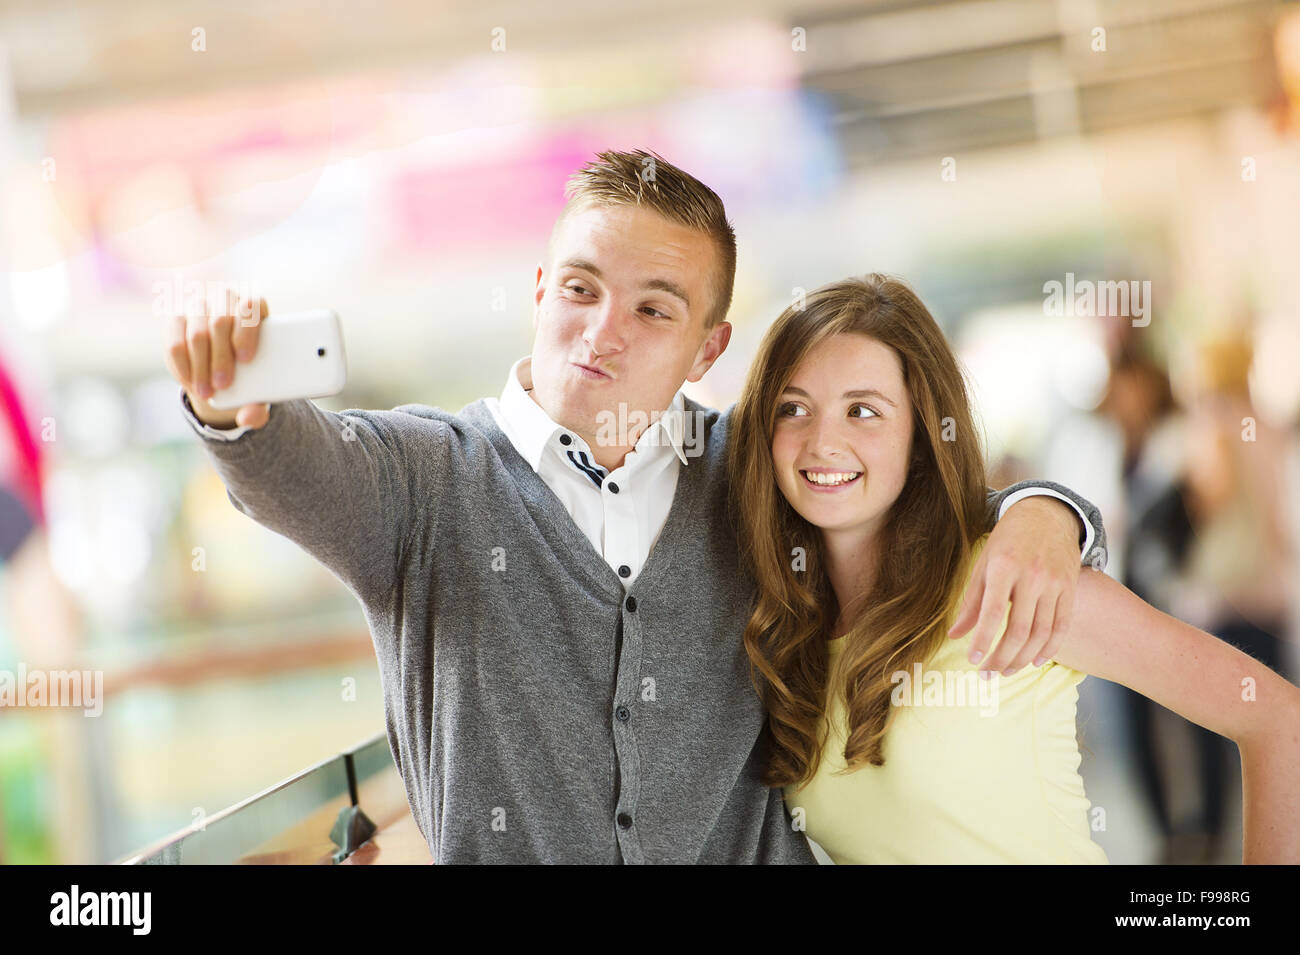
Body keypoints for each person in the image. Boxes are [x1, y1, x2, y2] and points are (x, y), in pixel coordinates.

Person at [165, 150, 1107, 864]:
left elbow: (923, 496)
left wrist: (1047, 511)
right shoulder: (429, 478)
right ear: (540, 291)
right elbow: (297, 466)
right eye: (581, 289)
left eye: (655, 309)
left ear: (708, 347)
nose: (602, 333)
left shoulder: (751, 466)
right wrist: (229, 409)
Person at [729, 275, 1300, 864]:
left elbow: (1278, 722)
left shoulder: (1016, 581)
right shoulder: (782, 629)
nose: (822, 441)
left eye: (863, 411)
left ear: (922, 436)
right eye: (793, 408)